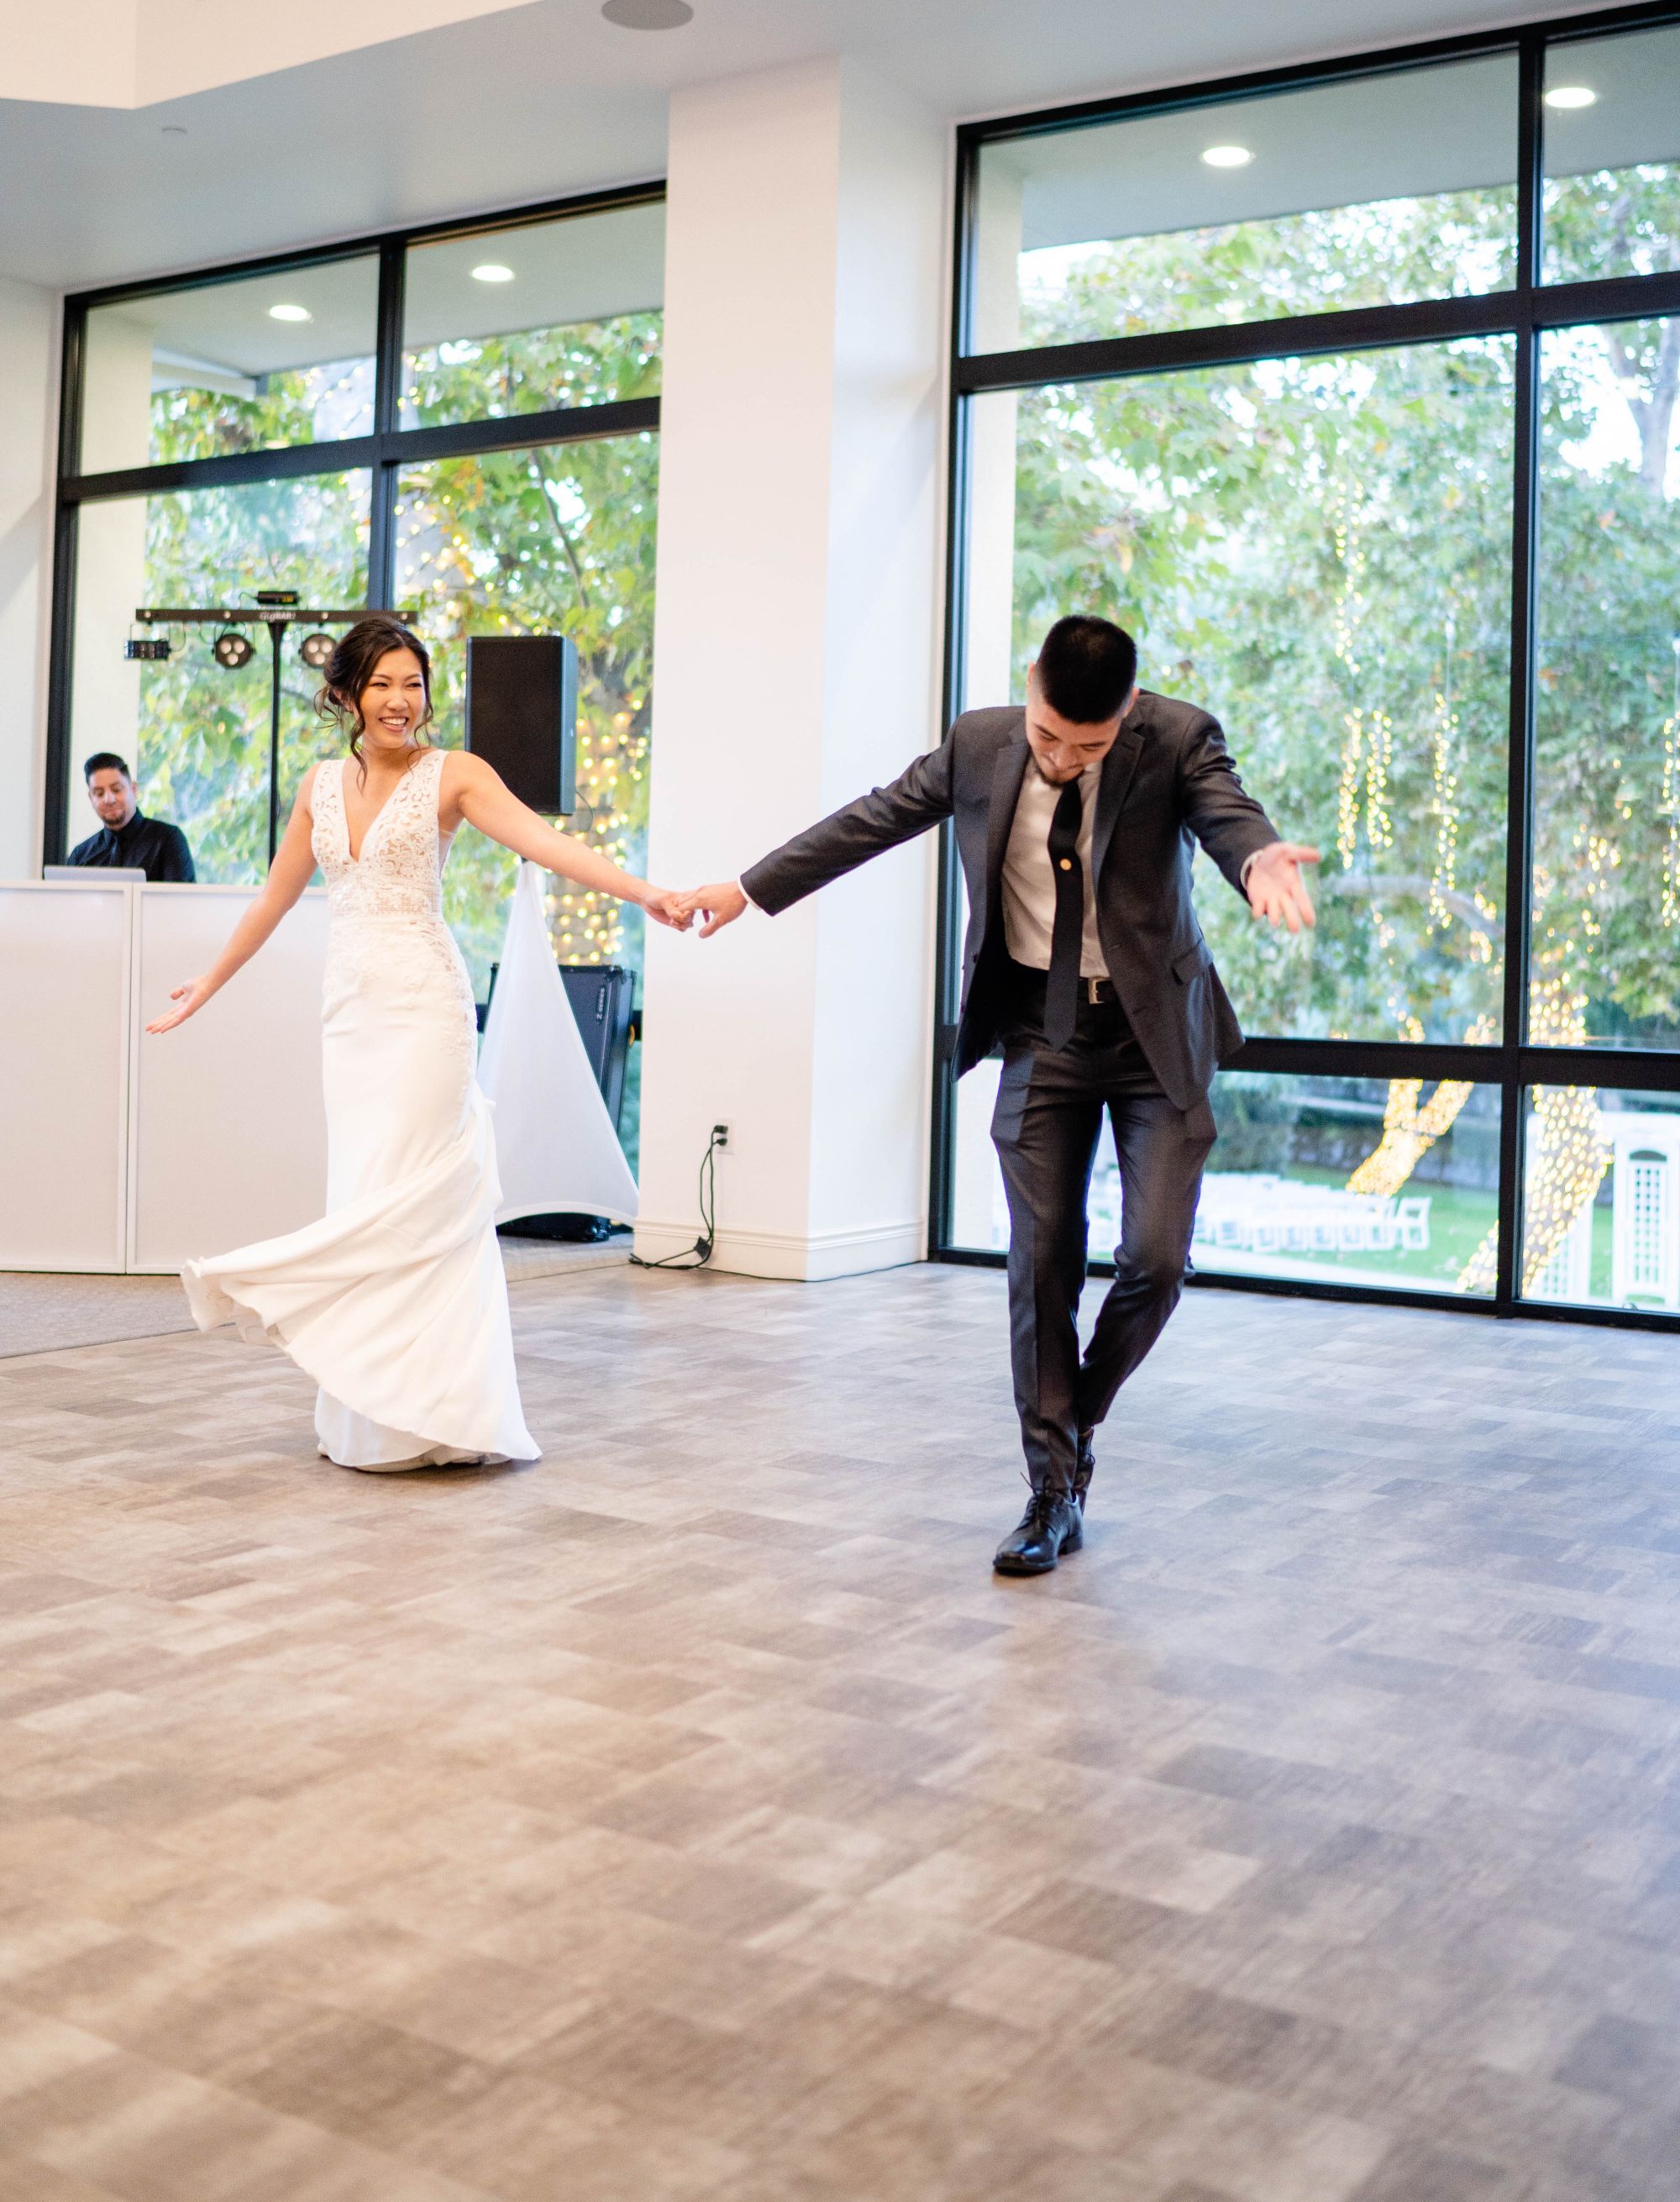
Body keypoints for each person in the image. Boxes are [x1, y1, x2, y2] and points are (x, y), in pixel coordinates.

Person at [676, 614, 1319, 1577]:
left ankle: (1075, 1412)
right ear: (1029, 685)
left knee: (1155, 1261)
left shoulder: (1178, 738)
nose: (1060, 759)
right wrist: (746, 887)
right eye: (1048, 735)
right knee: (1040, 1261)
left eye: (1086, 748)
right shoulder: (978, 744)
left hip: (1153, 1039)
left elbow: (1227, 814)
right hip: (1041, 1036)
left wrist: (1256, 857)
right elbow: (871, 818)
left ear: (1128, 710)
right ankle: (1051, 1491)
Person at [147, 617, 690, 1473]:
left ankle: (441, 1415)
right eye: (382, 685)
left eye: (413, 684)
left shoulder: (455, 773)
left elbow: (544, 842)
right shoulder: (319, 785)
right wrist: (209, 981)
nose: (401, 701)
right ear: (346, 695)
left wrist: (643, 893)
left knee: (421, 1196)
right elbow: (274, 898)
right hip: (350, 1015)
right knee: (364, 1190)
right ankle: (370, 1415)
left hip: (424, 1009)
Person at [67, 753, 195, 881]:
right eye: (99, 794)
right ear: (91, 798)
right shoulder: (80, 856)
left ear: (133, 789)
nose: (109, 800)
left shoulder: (168, 840)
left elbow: (180, 894)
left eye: (116, 789)